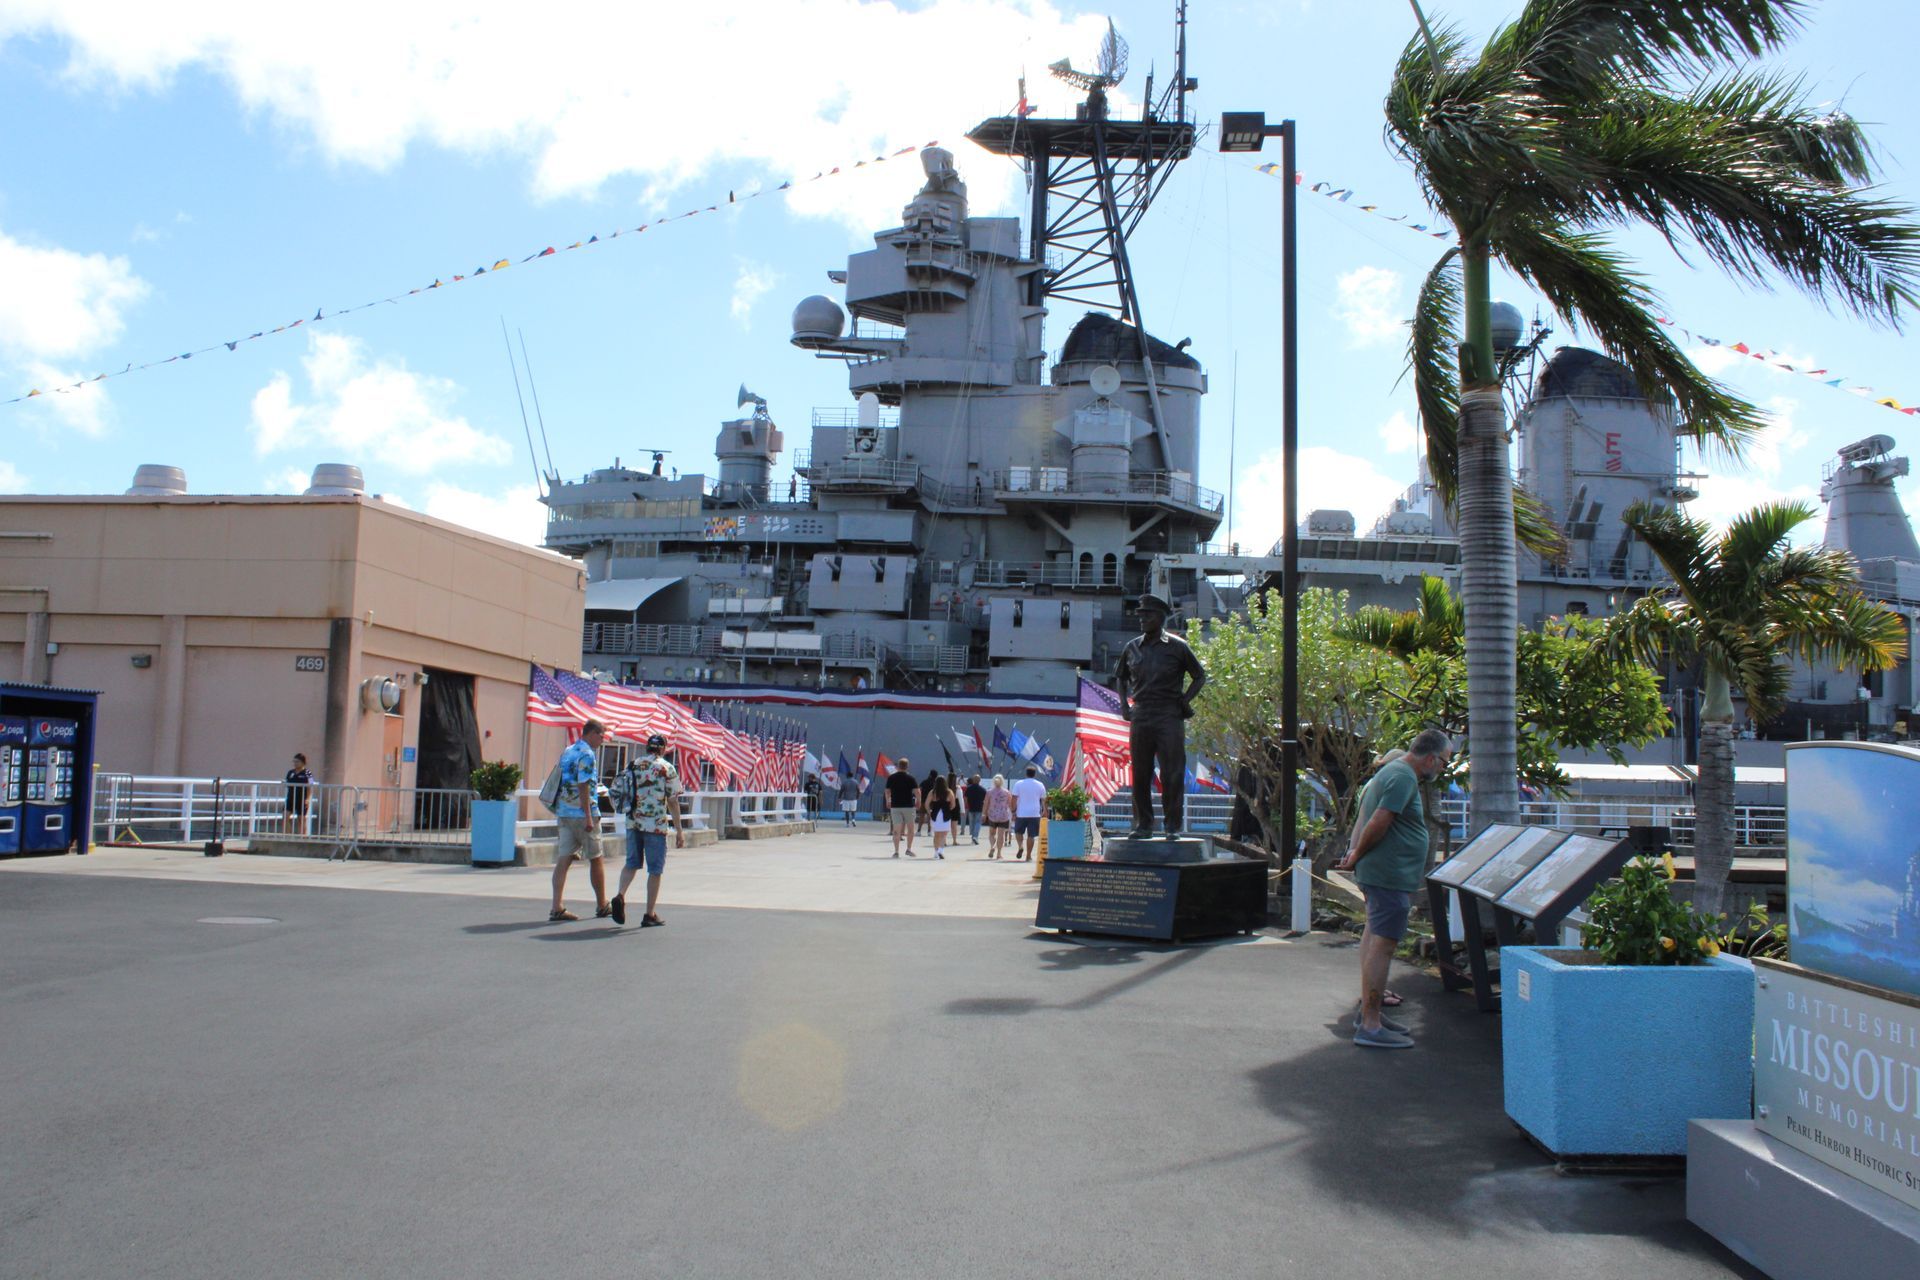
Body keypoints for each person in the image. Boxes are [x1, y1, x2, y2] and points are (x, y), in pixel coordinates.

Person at [1336, 728, 1452, 1049]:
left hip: (1383, 875)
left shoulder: (1393, 773)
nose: (1442, 769)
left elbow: (1369, 818)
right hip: (1388, 876)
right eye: (1443, 762)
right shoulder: (1403, 776)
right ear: (1430, 758)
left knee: (1374, 937)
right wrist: (1357, 853)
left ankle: (1369, 1015)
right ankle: (1371, 1025)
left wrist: (1355, 854)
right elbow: (1380, 820)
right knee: (1383, 946)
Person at [1114, 592, 1208, 838]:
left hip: (1169, 714)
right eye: (1140, 616)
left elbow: (1200, 676)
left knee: (1173, 773)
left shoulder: (1178, 647)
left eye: (1147, 615)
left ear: (1161, 617)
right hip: (1142, 713)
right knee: (1141, 773)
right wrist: (1125, 706)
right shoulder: (1131, 647)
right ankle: (1143, 825)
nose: (1142, 620)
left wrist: (1184, 701)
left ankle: (1172, 827)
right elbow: (1120, 677)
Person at [610, 732, 683, 928]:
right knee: (655, 870)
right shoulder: (666, 768)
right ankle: (649, 913)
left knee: (631, 863)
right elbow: (674, 801)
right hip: (655, 825)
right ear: (663, 748)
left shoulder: (633, 765)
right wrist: (679, 831)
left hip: (633, 822)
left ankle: (620, 894)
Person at [549, 719, 612, 922]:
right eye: (601, 735)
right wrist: (588, 816)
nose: (602, 740)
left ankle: (556, 906)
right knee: (596, 857)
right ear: (592, 733)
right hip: (582, 813)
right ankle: (602, 904)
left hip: (564, 812)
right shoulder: (587, 754)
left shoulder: (568, 751)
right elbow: (584, 785)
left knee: (564, 858)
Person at [1011, 765, 1048, 861]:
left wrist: (1013, 810)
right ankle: (1028, 856)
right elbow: (1044, 799)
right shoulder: (1040, 784)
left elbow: (1014, 798)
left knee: (1018, 832)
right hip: (1035, 813)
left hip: (1021, 813)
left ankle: (1020, 846)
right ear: (1034, 774)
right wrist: (1045, 811)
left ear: (1026, 773)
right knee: (1031, 835)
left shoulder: (1019, 784)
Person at [885, 757, 920, 857]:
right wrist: (919, 802)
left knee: (896, 829)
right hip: (909, 806)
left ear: (898, 766)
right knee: (910, 828)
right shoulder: (911, 778)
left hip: (895, 806)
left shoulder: (891, 778)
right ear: (907, 767)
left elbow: (887, 791)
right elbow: (917, 792)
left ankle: (896, 851)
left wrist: (888, 801)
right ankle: (908, 849)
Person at [983, 774, 1013, 858]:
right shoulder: (1007, 792)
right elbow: (1010, 805)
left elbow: (986, 804)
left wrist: (984, 814)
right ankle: (999, 853)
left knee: (991, 834)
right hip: (1003, 816)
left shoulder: (989, 792)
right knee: (1001, 835)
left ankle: (993, 846)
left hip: (993, 815)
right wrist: (1014, 814)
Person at [926, 777, 956, 859]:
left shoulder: (932, 792)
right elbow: (953, 805)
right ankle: (941, 851)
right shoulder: (949, 792)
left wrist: (929, 812)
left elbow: (926, 804)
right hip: (945, 814)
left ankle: (936, 852)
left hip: (935, 814)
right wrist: (948, 809)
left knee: (936, 835)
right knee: (944, 834)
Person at [283, 753, 314, 833]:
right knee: (285, 817)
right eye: (294, 762)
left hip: (302, 798)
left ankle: (303, 838)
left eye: (297, 762)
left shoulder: (308, 773)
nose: (295, 764)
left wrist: (308, 798)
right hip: (291, 798)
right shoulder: (290, 772)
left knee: (301, 820)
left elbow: (311, 786)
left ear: (303, 762)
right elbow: (287, 782)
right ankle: (288, 836)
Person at [918, 765, 941, 836]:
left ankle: (919, 831)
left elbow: (919, 789)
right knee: (930, 817)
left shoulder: (924, 782)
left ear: (930, 775)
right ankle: (929, 831)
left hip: (923, 801)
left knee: (921, 816)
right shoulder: (936, 784)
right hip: (932, 802)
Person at [963, 774, 986, 845]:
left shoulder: (969, 788)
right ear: (980, 780)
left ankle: (973, 836)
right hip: (979, 808)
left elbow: (965, 798)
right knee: (978, 823)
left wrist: (966, 805)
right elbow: (985, 800)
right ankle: (975, 837)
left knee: (971, 823)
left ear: (973, 780)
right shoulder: (983, 789)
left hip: (971, 807)